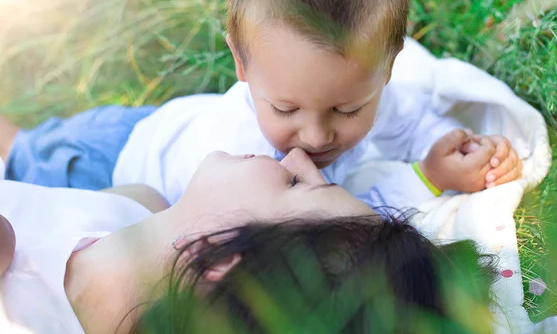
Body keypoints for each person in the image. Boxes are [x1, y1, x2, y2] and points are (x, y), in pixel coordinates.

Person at [0, 0, 522, 207]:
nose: (317, 135)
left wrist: (448, 144)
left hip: (163, 127)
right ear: (240, 62)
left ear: (388, 68)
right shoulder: (250, 160)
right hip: (109, 165)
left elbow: (407, 121)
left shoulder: (368, 91)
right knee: (21, 163)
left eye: (347, 108)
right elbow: (332, 226)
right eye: (286, 108)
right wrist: (427, 180)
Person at [0, 149, 495, 334]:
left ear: (219, 252)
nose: (299, 155)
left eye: (298, 184)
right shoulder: (139, 218)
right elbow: (134, 200)